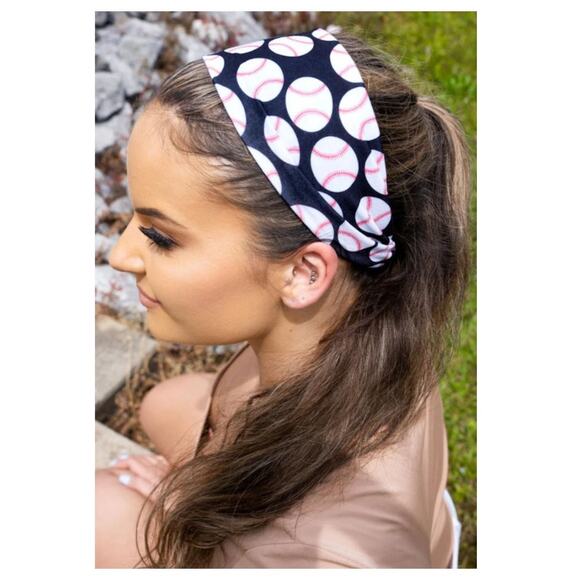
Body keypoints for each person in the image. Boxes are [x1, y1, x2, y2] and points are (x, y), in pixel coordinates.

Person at [96, 26, 472, 568]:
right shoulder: (374, 312)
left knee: (99, 509)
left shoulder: (318, 558)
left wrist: (186, 530)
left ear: (302, 272)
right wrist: (189, 496)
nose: (120, 255)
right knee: (163, 403)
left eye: (161, 236)